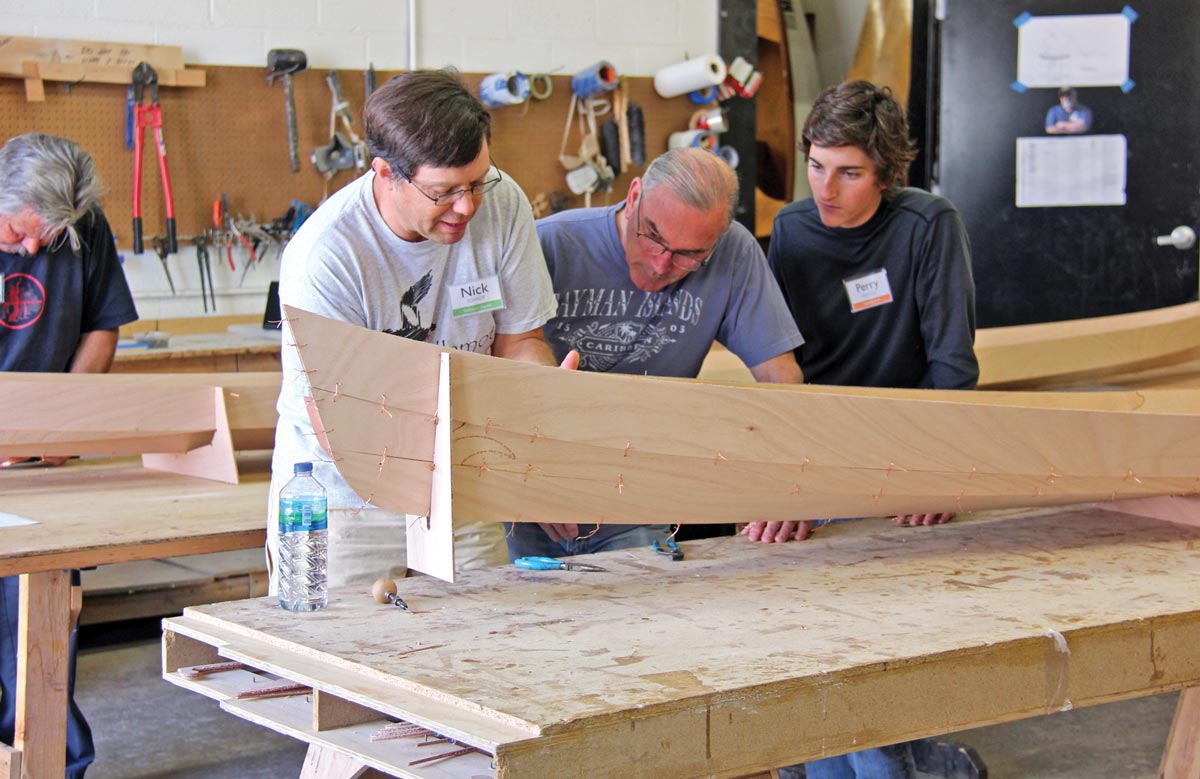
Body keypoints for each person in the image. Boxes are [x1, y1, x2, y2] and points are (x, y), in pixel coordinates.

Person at [272, 68, 569, 592]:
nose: (468, 206)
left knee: (488, 629)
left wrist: (543, 402)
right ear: (386, 172)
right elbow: (336, 421)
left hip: (463, 476)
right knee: (342, 636)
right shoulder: (327, 256)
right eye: (444, 192)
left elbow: (520, 342)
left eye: (477, 182)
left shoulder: (503, 204)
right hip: (347, 493)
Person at [760, 81, 979, 779]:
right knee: (810, 648)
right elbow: (782, 368)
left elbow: (952, 363)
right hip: (822, 458)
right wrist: (791, 481)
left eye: (849, 172)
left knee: (878, 657)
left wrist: (933, 472)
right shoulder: (791, 230)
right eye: (816, 166)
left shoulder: (927, 225)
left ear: (886, 173)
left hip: (904, 460)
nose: (826, 189)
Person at [507, 147, 805, 561]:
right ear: (633, 197)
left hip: (639, 487)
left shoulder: (734, 253)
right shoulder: (549, 244)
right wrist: (529, 471)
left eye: (689, 255)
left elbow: (781, 378)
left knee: (644, 593)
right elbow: (500, 369)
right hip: (538, 479)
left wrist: (792, 477)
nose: (662, 265)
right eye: (653, 236)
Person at [0, 133, 139, 779]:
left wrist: (64, 420)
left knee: (36, 623)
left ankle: (51, 763)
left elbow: (101, 326)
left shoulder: (84, 225)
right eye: (15, 232)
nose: (32, 250)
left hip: (40, 464)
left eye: (46, 238)